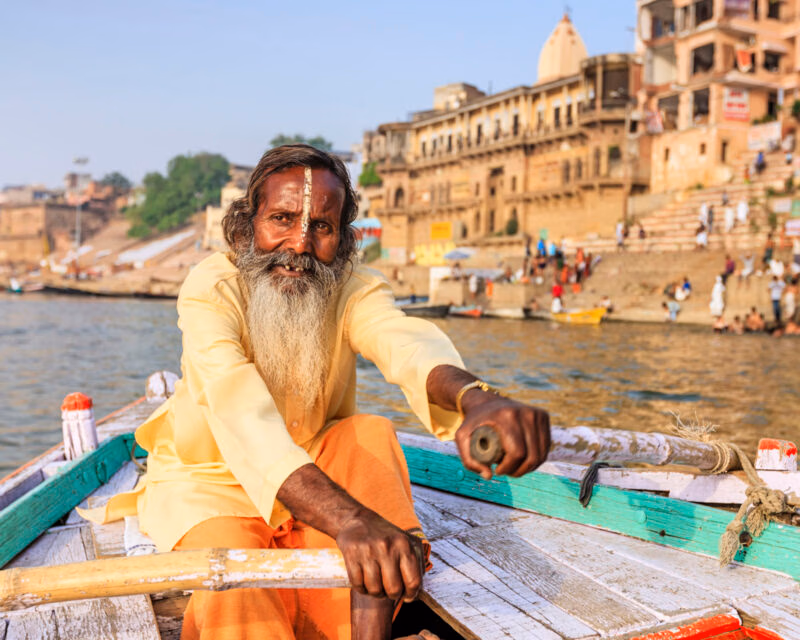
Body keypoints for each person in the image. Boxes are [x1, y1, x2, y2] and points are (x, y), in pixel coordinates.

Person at [83, 145, 551, 640]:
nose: (300, 244)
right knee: (238, 586)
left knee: (369, 434)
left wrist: (476, 397)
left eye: (321, 228)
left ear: (343, 240)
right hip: (209, 485)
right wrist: (349, 520)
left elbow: (404, 342)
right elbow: (237, 406)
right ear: (247, 228)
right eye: (282, 219)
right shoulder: (212, 287)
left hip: (312, 466)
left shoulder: (350, 286)